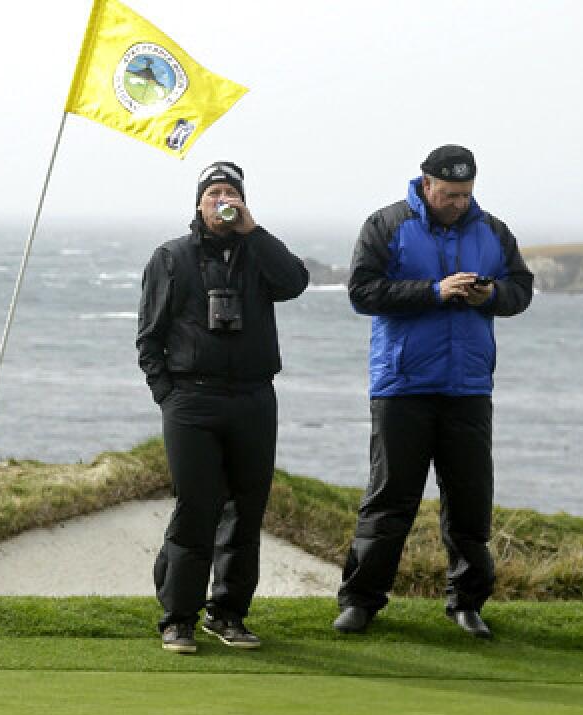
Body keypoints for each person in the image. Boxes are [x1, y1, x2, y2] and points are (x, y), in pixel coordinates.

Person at [333, 145, 533, 639]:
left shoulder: (494, 231)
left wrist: (493, 296)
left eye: (465, 194)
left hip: (467, 386)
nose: (458, 203)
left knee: (469, 499)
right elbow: (362, 292)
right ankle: (360, 601)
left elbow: (521, 290)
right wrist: (434, 291)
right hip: (402, 385)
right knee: (389, 499)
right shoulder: (386, 224)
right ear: (426, 184)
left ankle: (466, 603)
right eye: (449, 194)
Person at [137, 161, 309, 653]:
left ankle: (229, 614)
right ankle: (177, 619)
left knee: (246, 509)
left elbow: (294, 281)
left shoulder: (257, 253)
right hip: (192, 399)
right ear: (198, 202)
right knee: (196, 508)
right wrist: (166, 394)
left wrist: (253, 231)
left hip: (254, 396)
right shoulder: (171, 257)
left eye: (230, 192)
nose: (222, 200)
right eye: (213, 193)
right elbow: (149, 336)